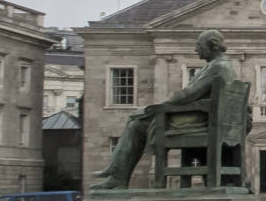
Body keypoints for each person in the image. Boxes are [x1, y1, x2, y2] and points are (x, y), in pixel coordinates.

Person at [91, 29, 237, 190]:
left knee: (136, 125)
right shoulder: (220, 65)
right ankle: (116, 175)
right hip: (206, 118)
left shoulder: (218, 67)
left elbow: (189, 94)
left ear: (211, 45)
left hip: (200, 120)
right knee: (137, 120)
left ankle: (118, 177)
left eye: (198, 45)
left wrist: (163, 105)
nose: (196, 49)